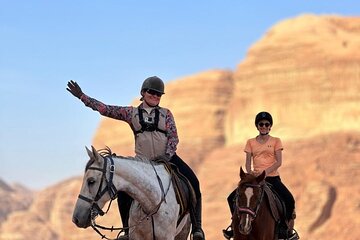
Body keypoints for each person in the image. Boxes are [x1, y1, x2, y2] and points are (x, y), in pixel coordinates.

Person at [66, 76, 205, 240]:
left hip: (167, 160)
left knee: (193, 182)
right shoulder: (130, 113)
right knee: (123, 189)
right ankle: (127, 231)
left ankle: (197, 228)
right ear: (143, 93)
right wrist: (83, 97)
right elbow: (106, 109)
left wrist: (166, 156)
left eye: (158, 94)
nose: (155, 96)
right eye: (152, 92)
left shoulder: (166, 114)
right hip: (142, 162)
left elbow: (174, 138)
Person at [222, 111, 298, 240]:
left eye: (266, 124)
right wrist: (251, 174)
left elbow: (278, 162)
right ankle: (234, 226)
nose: (264, 126)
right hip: (254, 179)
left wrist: (265, 173)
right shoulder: (250, 142)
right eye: (261, 124)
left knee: (289, 200)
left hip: (272, 177)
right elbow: (247, 163)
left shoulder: (276, 141)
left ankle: (285, 230)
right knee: (231, 198)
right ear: (257, 126)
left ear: (270, 126)